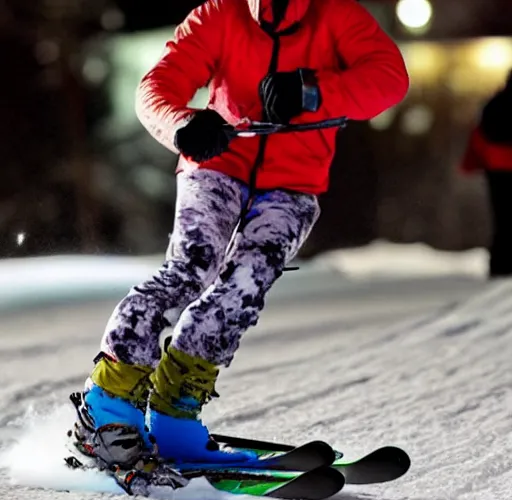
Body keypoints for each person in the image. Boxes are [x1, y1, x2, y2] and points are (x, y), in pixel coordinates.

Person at [71, 0, 409, 469]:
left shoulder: (338, 16)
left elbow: (390, 78)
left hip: (293, 183)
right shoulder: (218, 15)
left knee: (242, 290)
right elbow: (156, 89)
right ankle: (105, 408)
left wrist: (313, 91)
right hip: (216, 167)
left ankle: (173, 416)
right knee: (188, 272)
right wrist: (184, 124)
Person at [461, 70, 512, 278]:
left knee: (501, 218)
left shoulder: (495, 103)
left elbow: (479, 136)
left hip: (496, 168)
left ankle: (500, 265)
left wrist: (472, 163)